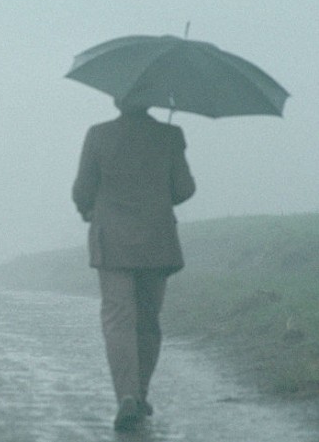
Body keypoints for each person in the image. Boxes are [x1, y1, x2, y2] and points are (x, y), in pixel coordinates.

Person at [72, 99, 195, 431]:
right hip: (157, 240)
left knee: (118, 319)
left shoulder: (98, 135)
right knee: (148, 320)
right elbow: (184, 189)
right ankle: (140, 394)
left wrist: (90, 209)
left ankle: (125, 395)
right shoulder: (171, 135)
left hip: (112, 240)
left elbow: (82, 190)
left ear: (117, 100)